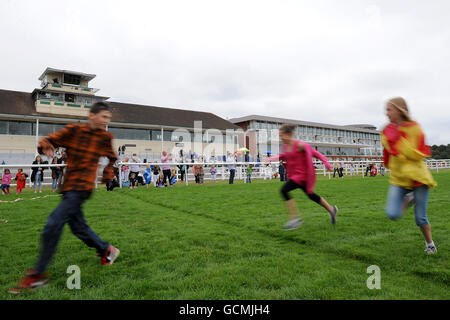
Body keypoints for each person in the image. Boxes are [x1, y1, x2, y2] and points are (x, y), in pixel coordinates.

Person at [9, 102, 120, 294]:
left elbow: (112, 157)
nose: (106, 122)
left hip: (82, 188)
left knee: (53, 224)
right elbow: (49, 140)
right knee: (79, 228)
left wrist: (108, 173)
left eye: (108, 119)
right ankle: (106, 250)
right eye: (104, 117)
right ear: (92, 115)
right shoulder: (74, 131)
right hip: (68, 187)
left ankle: (37, 275)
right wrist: (46, 147)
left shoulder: (105, 137)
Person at [382, 97, 438, 254]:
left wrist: (399, 142)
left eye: (389, 109)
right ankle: (409, 198)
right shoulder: (386, 131)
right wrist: (387, 161)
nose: (386, 113)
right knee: (392, 214)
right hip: (399, 179)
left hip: (418, 178)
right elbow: (387, 149)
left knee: (420, 218)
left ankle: (430, 245)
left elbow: (419, 152)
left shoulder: (415, 128)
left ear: (399, 110)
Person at [265, 124, 338, 230]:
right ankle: (332, 210)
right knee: (311, 195)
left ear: (289, 134)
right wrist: (275, 157)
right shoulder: (285, 146)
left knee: (284, 190)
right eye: (279, 136)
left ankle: (295, 219)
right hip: (295, 176)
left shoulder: (300, 145)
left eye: (282, 135)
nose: (281, 138)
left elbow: (316, 153)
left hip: (303, 176)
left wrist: (326, 163)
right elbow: (287, 155)